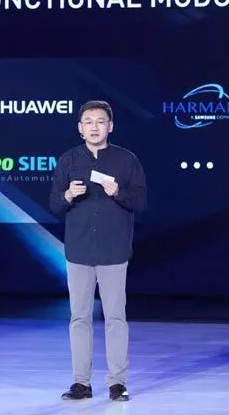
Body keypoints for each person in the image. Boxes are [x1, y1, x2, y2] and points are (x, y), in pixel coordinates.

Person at [49, 100, 147, 402]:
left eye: (100, 121)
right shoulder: (68, 160)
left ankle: (117, 382)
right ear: (80, 128)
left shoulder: (126, 160)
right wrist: (68, 195)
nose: (94, 127)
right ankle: (81, 382)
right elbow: (54, 205)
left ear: (110, 126)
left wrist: (119, 192)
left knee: (115, 318)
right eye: (88, 122)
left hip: (113, 250)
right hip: (79, 249)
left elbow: (140, 203)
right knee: (79, 318)